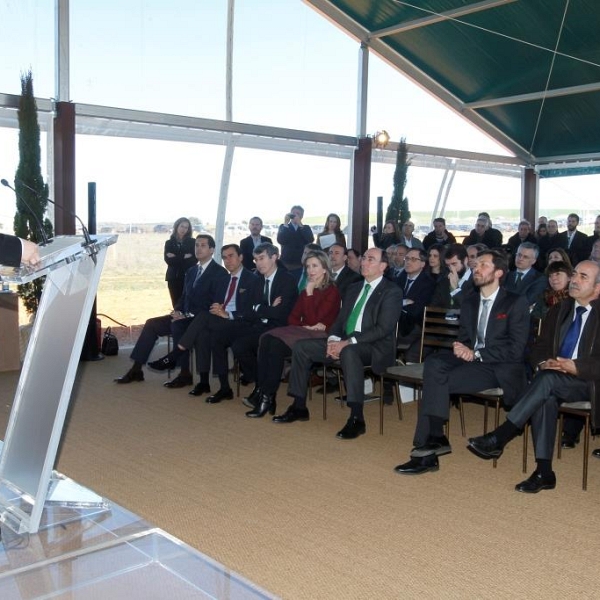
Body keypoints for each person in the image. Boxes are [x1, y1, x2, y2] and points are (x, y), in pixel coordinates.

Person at [467, 260, 600, 493]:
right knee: (545, 392)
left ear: (598, 288)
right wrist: (543, 362)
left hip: (589, 382)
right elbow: (538, 348)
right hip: (554, 378)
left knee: (545, 382)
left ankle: (502, 435)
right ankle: (544, 472)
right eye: (575, 274)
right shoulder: (560, 309)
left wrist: (574, 366)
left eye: (583, 277)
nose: (575, 280)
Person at [394, 249, 530, 475]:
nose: (477, 268)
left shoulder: (515, 302)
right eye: (476, 265)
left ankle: (427, 449)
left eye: (483, 265)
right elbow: (465, 339)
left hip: (499, 367)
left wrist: (476, 354)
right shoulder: (470, 301)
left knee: (436, 381)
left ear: (498, 272)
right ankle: (435, 437)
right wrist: (461, 346)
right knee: (435, 364)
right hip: (474, 362)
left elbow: (516, 350)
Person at [274, 247, 403, 438]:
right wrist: (333, 340)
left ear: (383, 266)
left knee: (349, 352)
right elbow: (339, 321)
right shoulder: (353, 288)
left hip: (374, 346)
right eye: (364, 258)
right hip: (346, 341)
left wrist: (347, 342)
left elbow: (383, 329)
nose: (364, 262)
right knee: (302, 347)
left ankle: (356, 418)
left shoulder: (391, 291)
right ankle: (299, 406)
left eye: (371, 259)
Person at [114, 234, 228, 386]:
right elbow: (184, 297)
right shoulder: (192, 271)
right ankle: (136, 369)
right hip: (184, 316)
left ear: (212, 250)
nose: (198, 248)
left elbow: (216, 303)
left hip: (201, 319)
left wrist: (186, 315)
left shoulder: (219, 273)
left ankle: (184, 373)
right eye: (196, 245)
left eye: (203, 245)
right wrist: (178, 311)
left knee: (177, 326)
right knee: (151, 324)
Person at [149, 244, 259, 399]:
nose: (228, 260)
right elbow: (217, 301)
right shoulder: (224, 279)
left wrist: (228, 314)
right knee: (205, 333)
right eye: (224, 257)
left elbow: (254, 310)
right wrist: (217, 308)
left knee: (203, 319)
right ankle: (220, 387)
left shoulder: (252, 279)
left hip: (241, 323)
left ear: (241, 257)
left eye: (231, 256)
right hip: (221, 320)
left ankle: (175, 355)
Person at [245, 249, 341, 418]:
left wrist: (310, 294)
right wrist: (307, 324)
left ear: (325, 268)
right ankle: (267, 396)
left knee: (274, 344)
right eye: (308, 266)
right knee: (267, 339)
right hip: (303, 332)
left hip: (321, 336)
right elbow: (293, 318)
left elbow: (315, 317)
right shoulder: (305, 291)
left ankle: (266, 398)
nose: (310, 270)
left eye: (315, 266)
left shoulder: (332, 291)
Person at [231, 243, 298, 387]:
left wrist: (259, 308)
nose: (258, 263)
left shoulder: (287, 280)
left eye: (262, 258)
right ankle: (259, 381)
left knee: (250, 345)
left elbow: (280, 313)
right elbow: (248, 309)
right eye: (256, 259)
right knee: (234, 342)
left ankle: (262, 386)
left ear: (274, 257)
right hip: (259, 324)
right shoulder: (257, 280)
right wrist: (266, 308)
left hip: (280, 328)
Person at [396, 248, 436, 361]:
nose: (408, 262)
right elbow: (389, 302)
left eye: (413, 259)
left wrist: (397, 305)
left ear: (423, 263)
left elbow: (416, 310)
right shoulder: (399, 279)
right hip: (395, 325)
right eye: (407, 258)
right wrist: (404, 302)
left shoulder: (428, 283)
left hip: (414, 328)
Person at [164, 217, 197, 307]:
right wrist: (184, 256)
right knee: (176, 304)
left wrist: (176, 257)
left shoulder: (193, 242)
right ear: (176, 226)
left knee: (187, 303)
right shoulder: (169, 243)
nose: (184, 229)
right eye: (182, 226)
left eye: (186, 227)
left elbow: (193, 260)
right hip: (173, 278)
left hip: (187, 277)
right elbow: (169, 261)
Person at [503, 242, 547, 307]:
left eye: (525, 257)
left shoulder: (540, 279)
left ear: (533, 261)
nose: (520, 259)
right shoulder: (506, 275)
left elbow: (528, 301)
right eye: (519, 255)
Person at [430, 244, 474, 308]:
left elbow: (470, 308)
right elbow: (433, 308)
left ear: (465, 260)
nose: (451, 269)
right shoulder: (443, 281)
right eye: (448, 265)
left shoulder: (476, 281)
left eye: (454, 264)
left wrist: (456, 289)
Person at [277, 205, 314, 279]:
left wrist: (300, 224)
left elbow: (310, 240)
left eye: (298, 214)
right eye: (293, 213)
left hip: (300, 264)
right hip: (285, 263)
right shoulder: (283, 226)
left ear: (301, 216)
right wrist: (286, 223)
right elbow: (281, 240)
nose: (295, 215)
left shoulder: (305, 228)